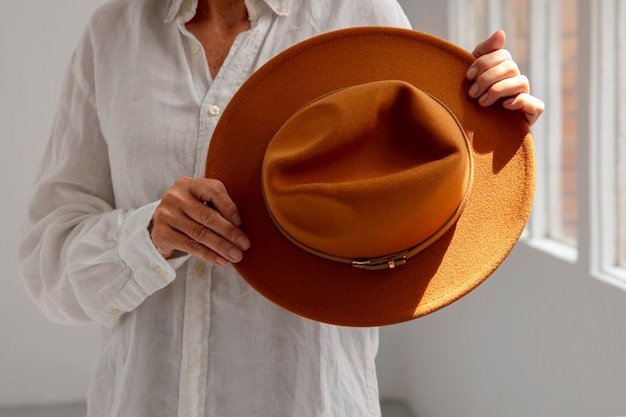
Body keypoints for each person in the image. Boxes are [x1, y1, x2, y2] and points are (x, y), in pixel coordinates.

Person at [19, 0, 544, 416]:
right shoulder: (113, 34)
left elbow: (414, 197)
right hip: (139, 399)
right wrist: (149, 234)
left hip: (307, 399)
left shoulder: (360, 16)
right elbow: (50, 261)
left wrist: (485, 125)